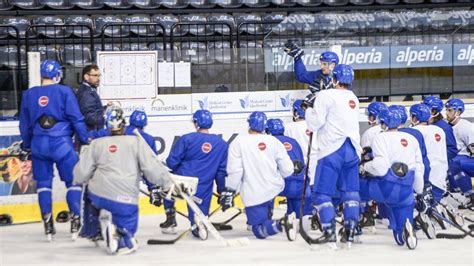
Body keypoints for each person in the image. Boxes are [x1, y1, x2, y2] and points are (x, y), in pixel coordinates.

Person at [73, 106, 172, 255]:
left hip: (99, 195)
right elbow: (152, 169)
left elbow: (81, 173)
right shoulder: (136, 142)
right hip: (125, 198)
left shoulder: (96, 143)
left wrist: (79, 179)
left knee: (89, 196)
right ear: (124, 124)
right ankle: (122, 235)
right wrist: (167, 183)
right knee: (127, 220)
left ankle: (94, 230)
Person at [19, 60, 89, 241]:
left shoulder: (29, 94)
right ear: (57, 75)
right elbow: (76, 118)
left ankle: (48, 224)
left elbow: (24, 125)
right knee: (73, 182)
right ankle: (75, 220)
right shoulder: (65, 91)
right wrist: (84, 139)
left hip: (38, 144)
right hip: (62, 144)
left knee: (43, 184)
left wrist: (27, 145)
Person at [304, 64, 361, 248]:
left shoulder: (325, 95)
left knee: (322, 194)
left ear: (334, 79)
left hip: (331, 151)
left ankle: (329, 234)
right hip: (352, 150)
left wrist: (308, 109)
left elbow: (314, 124)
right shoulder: (353, 98)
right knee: (351, 193)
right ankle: (350, 233)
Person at [220, 111, 300, 241]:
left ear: (249, 124)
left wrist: (230, 190)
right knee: (265, 219)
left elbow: (235, 171)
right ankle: (273, 222)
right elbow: (287, 170)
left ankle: (282, 223)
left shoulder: (239, 142)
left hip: (254, 192)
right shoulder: (274, 141)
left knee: (257, 230)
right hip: (274, 188)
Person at [359, 109, 423, 250]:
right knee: (400, 232)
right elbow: (419, 169)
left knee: (353, 189)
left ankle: (355, 224)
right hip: (406, 191)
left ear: (384, 123)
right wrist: (418, 191)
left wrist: (365, 166)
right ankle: (406, 228)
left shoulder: (380, 138)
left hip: (385, 187)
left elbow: (380, 167)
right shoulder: (412, 139)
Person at [163, 109, 228, 239]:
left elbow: (171, 163)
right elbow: (221, 172)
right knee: (199, 214)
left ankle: (170, 219)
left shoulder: (187, 139)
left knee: (165, 186)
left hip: (183, 182)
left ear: (196, 123)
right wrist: (222, 191)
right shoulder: (221, 144)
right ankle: (200, 222)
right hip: (205, 184)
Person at [266, 118, 307, 219]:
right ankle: (295, 217)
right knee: (298, 216)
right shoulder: (294, 142)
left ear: (267, 131)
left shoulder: (268, 142)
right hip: (298, 186)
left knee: (263, 191)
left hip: (278, 186)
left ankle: (265, 217)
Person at [409, 104, 448, 206]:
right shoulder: (439, 130)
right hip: (441, 174)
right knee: (433, 207)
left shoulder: (415, 132)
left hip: (426, 175)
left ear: (414, 117)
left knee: (422, 209)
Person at [445, 99, 474, 209]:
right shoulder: (449, 127)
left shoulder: (467, 127)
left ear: (458, 112)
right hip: (462, 160)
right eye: (446, 110)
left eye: (450, 110)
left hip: (466, 160)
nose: (447, 113)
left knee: (455, 162)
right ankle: (470, 196)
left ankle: (471, 196)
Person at [423, 96, 457, 162]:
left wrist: (437, 159)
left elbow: (452, 150)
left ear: (433, 111)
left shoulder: (444, 127)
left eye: (425, 108)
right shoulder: (423, 124)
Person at [76, 64, 107, 131]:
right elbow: (89, 118)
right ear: (86, 76)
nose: (98, 78)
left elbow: (94, 110)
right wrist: (106, 117)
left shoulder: (89, 89)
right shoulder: (86, 93)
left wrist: (106, 108)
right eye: (95, 75)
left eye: (99, 76)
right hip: (90, 135)